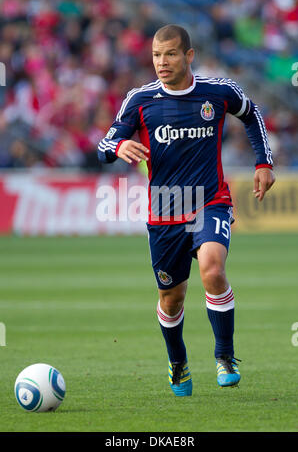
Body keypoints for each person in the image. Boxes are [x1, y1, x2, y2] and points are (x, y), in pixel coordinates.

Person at [97, 24, 275, 397]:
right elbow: (105, 142)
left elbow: (252, 114)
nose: (162, 62)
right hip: (164, 211)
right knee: (171, 298)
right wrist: (117, 148)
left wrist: (263, 162)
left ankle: (224, 356)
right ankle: (177, 361)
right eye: (156, 56)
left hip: (210, 201)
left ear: (188, 55)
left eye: (171, 54)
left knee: (213, 269)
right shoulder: (139, 99)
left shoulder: (218, 91)